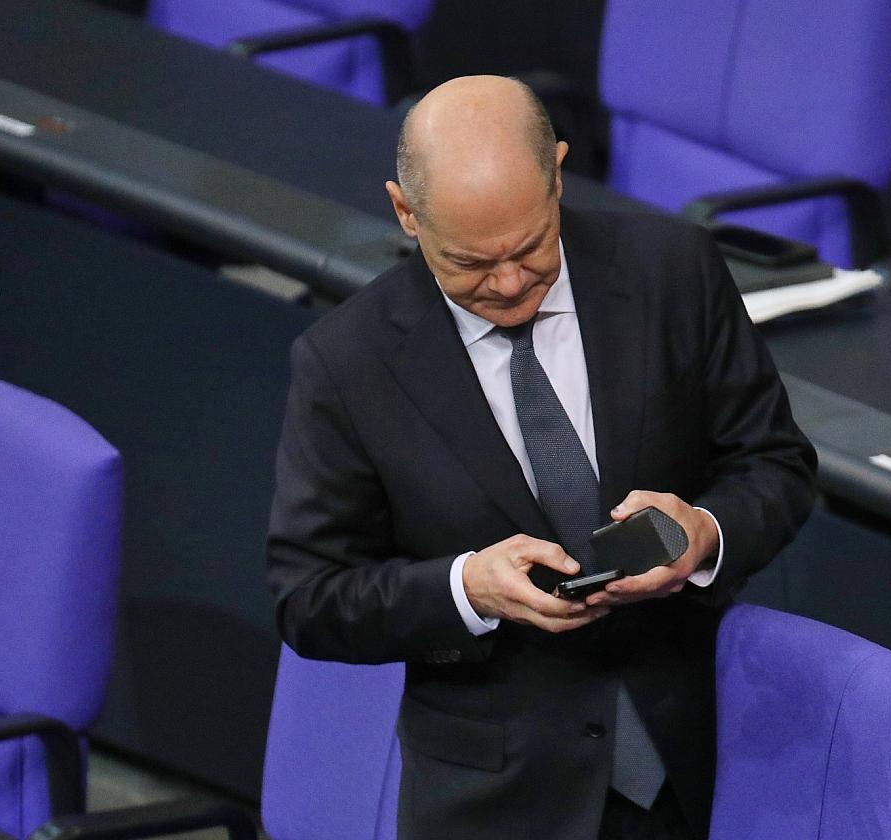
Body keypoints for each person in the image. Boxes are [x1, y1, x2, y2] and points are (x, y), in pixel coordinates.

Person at [266, 75, 816, 840]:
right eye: (469, 263)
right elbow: (311, 599)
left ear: (558, 173)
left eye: (530, 248)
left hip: (695, 764)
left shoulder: (671, 271)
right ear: (405, 212)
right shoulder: (347, 364)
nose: (508, 282)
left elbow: (775, 462)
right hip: (496, 802)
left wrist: (704, 533)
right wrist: (467, 588)